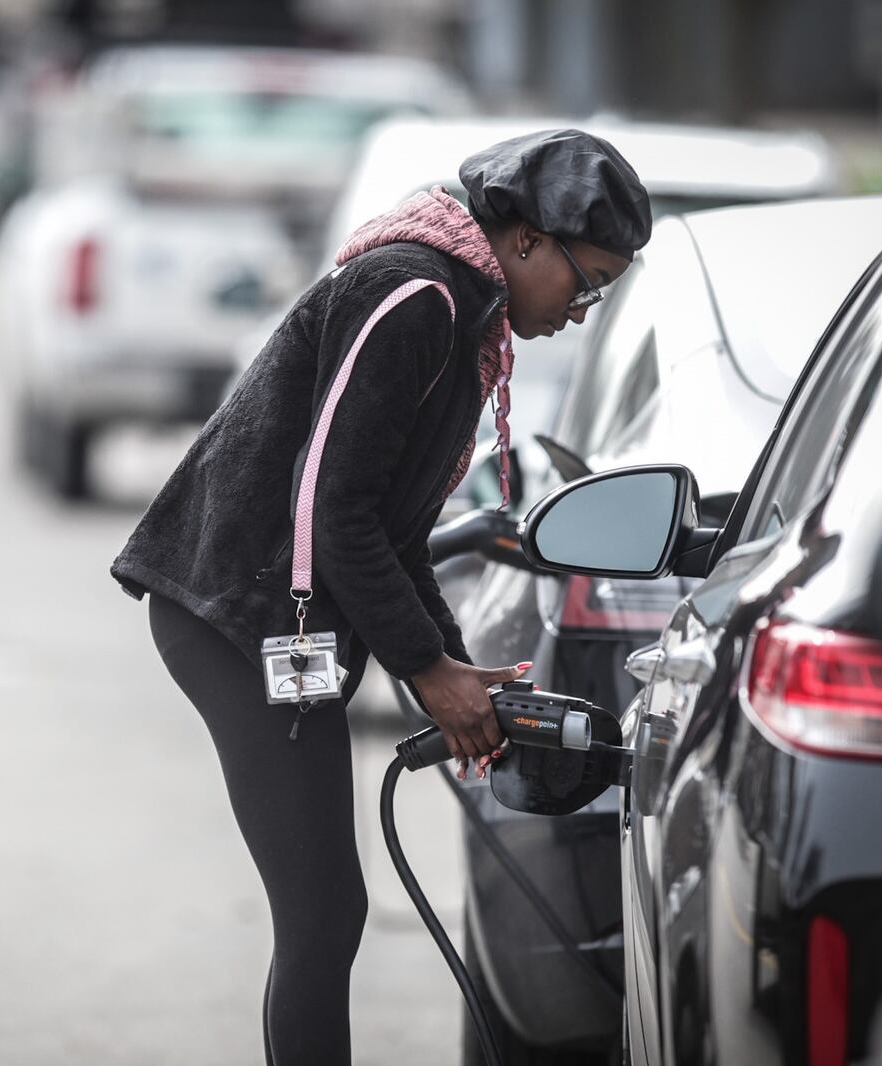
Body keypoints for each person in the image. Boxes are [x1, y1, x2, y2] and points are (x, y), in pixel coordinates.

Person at [110, 129, 652, 1065]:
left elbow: (394, 529)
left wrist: (449, 662)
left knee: (329, 913)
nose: (585, 308)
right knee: (323, 914)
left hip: (285, 615)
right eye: (587, 279)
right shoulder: (414, 294)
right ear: (525, 241)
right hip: (234, 613)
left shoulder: (466, 313)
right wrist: (427, 670)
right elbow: (331, 509)